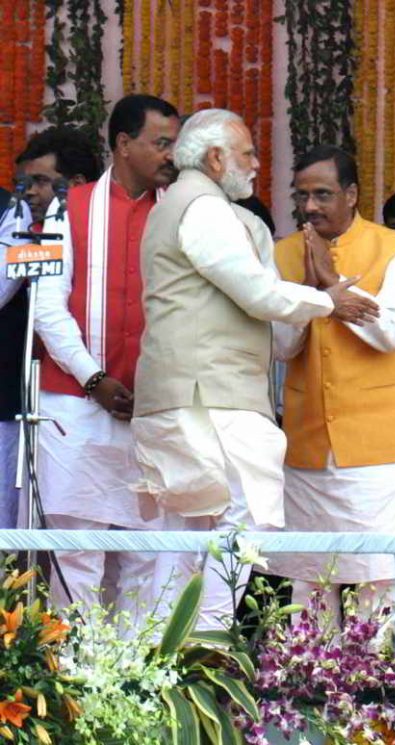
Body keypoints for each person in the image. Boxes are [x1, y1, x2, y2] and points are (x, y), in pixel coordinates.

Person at [132, 109, 357, 630]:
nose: (257, 165)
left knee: (188, 534)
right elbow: (255, 293)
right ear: (215, 158)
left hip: (191, 395)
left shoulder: (178, 206)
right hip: (208, 397)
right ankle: (205, 639)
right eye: (248, 153)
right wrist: (327, 301)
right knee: (245, 518)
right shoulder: (204, 207)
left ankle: (166, 657)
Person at [271, 145, 395, 616]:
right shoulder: (282, 253)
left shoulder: (393, 246)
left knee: (378, 584)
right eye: (302, 195)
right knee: (310, 586)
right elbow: (282, 347)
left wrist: (334, 282)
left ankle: (377, 688)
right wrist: (311, 295)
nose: (310, 207)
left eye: (322, 194)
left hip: (381, 449)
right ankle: (308, 688)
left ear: (351, 194)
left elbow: (391, 333)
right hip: (307, 444)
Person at [33, 101, 175, 621]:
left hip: (156, 410)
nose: (170, 153)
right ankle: (77, 689)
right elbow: (48, 307)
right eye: (160, 142)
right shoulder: (66, 207)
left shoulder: (180, 209)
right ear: (122, 144)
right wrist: (94, 379)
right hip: (76, 405)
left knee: (148, 553)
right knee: (77, 552)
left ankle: (133, 685)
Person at [2, 128, 102, 532]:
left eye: (41, 181)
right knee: (25, 523)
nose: (29, 193)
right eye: (25, 182)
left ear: (76, 185)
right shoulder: (22, 231)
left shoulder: (101, 233)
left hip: (91, 394)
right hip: (28, 397)